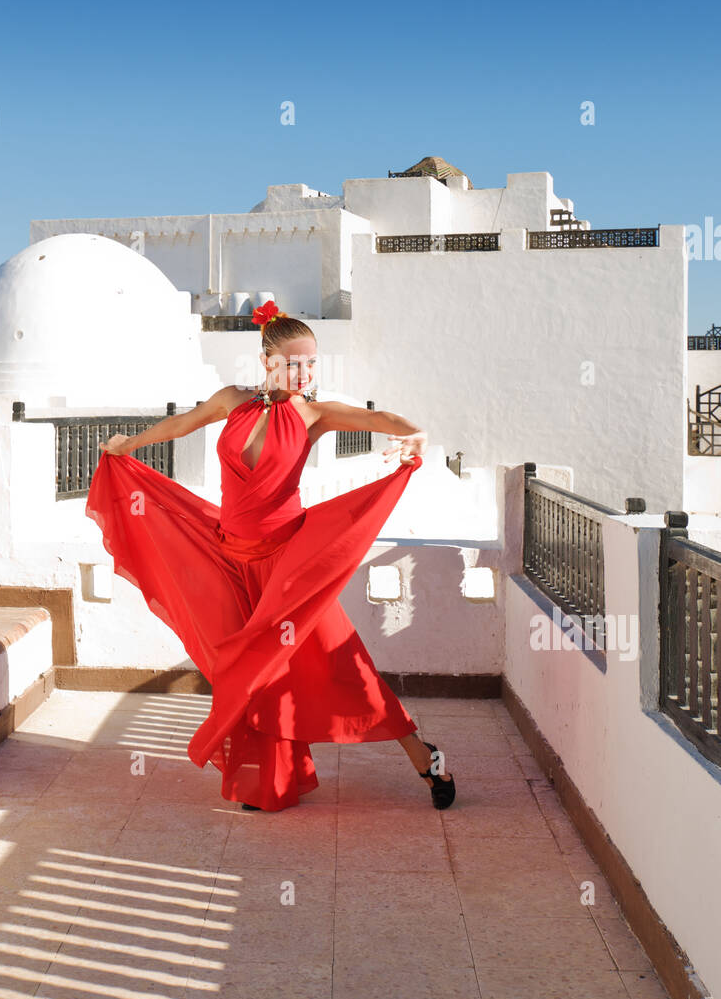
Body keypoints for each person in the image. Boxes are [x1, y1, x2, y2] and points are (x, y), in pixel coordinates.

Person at [84, 300, 456, 813]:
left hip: (289, 564)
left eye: (311, 363)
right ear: (267, 361)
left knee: (346, 665)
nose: (304, 373)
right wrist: (128, 446)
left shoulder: (314, 414)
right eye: (294, 362)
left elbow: (382, 418)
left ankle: (425, 757)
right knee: (256, 674)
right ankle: (270, 781)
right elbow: (180, 426)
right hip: (229, 555)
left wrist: (416, 431)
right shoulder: (231, 402)